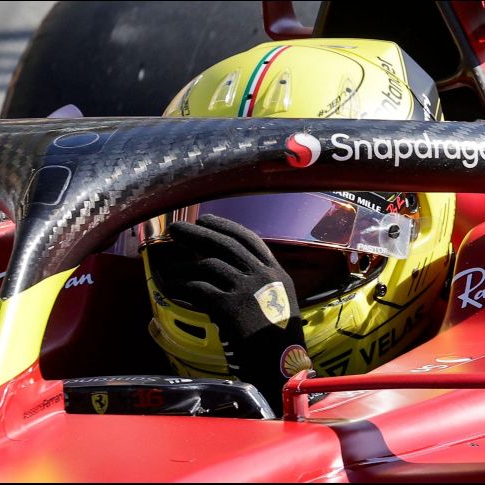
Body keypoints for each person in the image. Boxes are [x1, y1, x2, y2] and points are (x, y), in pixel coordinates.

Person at [137, 38, 456, 414]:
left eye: (293, 252)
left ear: (404, 231)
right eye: (204, 243)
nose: (237, 279)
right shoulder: (91, 306)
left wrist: (282, 374)